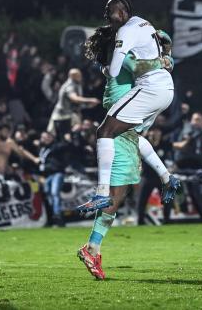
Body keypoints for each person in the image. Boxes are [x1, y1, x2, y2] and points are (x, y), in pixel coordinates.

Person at [76, 23, 179, 279]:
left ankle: (93, 249)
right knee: (115, 195)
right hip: (120, 130)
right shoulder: (124, 59)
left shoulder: (116, 59)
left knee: (118, 195)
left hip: (125, 128)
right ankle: (92, 248)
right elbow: (156, 62)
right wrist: (165, 51)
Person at [77, 0, 175, 212]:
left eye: (109, 13)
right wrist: (167, 57)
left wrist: (107, 68)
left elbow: (120, 68)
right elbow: (162, 45)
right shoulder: (143, 25)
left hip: (147, 91)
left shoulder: (125, 38)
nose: (107, 18)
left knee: (104, 132)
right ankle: (167, 177)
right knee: (135, 137)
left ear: (120, 13)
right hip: (163, 89)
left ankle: (101, 196)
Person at [47, 68, 100, 137]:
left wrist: (87, 105)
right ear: (72, 76)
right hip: (61, 117)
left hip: (69, 116)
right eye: (78, 75)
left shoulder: (76, 85)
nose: (80, 77)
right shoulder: (70, 86)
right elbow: (74, 99)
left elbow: (75, 104)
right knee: (54, 137)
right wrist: (90, 100)